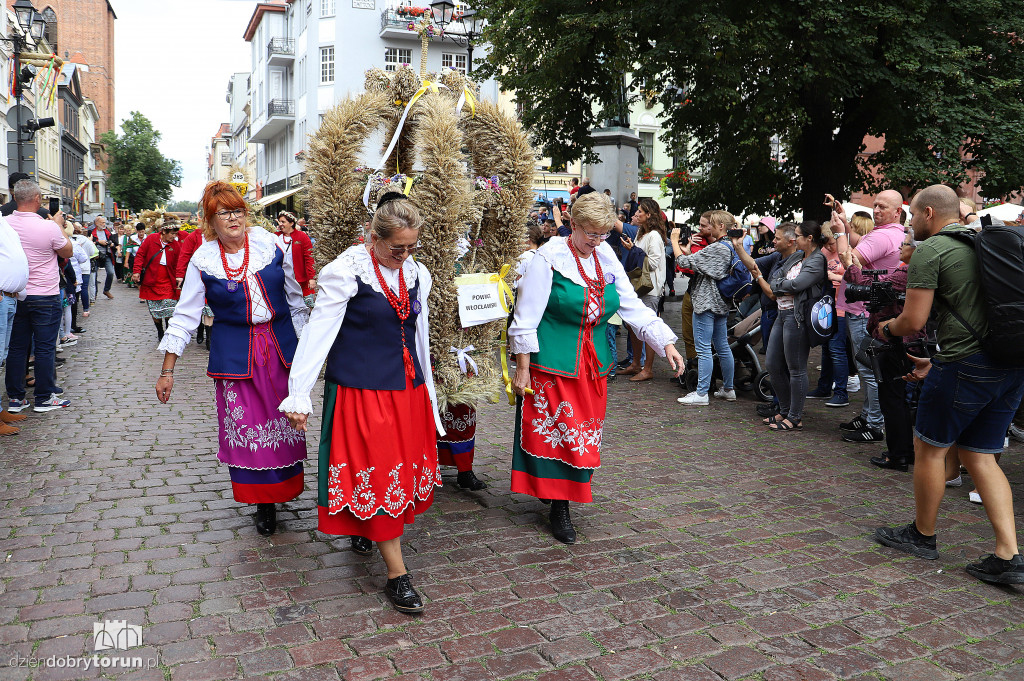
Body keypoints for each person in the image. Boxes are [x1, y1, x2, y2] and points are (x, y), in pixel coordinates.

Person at [279, 194, 442, 614]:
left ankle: (366, 528)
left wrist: (429, 390)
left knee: (395, 476)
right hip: (363, 392)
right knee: (381, 473)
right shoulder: (344, 272)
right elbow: (319, 332)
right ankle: (397, 575)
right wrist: (299, 394)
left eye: (411, 247)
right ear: (373, 237)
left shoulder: (417, 273)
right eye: (396, 248)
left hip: (406, 392)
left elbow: (419, 335)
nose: (404, 256)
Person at [509, 192, 683, 544]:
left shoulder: (605, 254)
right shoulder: (549, 257)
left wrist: (664, 341)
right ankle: (560, 506)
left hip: (592, 364)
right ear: (572, 225)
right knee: (557, 435)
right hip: (552, 363)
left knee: (583, 434)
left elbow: (631, 304)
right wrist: (523, 368)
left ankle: (558, 494)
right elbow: (526, 317)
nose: (597, 241)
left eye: (603, 234)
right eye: (590, 233)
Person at [875, 184, 1024, 585]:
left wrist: (886, 327)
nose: (909, 226)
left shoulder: (933, 250)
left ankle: (922, 535)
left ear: (928, 213)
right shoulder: (988, 242)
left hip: (964, 366)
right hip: (1010, 364)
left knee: (929, 450)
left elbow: (913, 321)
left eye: (911, 216)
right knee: (980, 457)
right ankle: (1009, 557)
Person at [156, 181, 309, 538]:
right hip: (236, 355)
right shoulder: (204, 259)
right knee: (248, 429)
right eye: (224, 212)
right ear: (210, 221)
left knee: (283, 422)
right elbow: (185, 315)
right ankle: (263, 502)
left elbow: (295, 299)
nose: (234, 218)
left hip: (278, 348)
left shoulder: (270, 244)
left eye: (238, 210)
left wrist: (309, 351)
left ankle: (281, 492)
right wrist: (168, 369)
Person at [736, 222, 827, 431]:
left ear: (809, 238)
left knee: (796, 368)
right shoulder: (797, 257)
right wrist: (778, 285)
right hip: (782, 313)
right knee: (773, 364)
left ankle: (795, 416)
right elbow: (777, 276)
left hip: (797, 317)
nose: (795, 239)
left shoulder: (817, 259)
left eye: (798, 235)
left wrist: (775, 286)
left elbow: (796, 285)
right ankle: (784, 410)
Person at [830, 191, 906, 443]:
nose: (876, 210)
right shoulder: (894, 234)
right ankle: (868, 415)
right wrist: (845, 222)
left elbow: (848, 262)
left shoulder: (882, 234)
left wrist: (840, 233)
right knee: (868, 368)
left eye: (883, 207)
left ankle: (874, 424)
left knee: (868, 369)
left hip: (865, 309)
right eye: (875, 205)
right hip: (873, 308)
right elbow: (861, 248)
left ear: (898, 211)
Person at [843, 229, 922, 466]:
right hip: (905, 340)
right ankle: (905, 451)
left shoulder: (906, 272)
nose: (900, 247)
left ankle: (897, 454)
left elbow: (869, 285)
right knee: (898, 399)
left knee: (892, 399)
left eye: (905, 244)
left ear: (916, 249)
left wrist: (850, 265)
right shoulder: (910, 270)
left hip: (896, 341)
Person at [3, 180, 73, 413]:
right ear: (37, 199)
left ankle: (15, 398)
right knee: (43, 348)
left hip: (17, 293)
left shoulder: (4, 224)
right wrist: (57, 223)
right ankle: (44, 397)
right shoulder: (48, 226)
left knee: (16, 347)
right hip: (44, 294)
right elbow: (67, 251)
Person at [670, 210, 737, 406]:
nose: (708, 228)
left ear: (721, 227)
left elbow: (683, 262)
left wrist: (675, 241)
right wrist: (690, 250)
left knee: (703, 349)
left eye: (712, 224)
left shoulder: (718, 248)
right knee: (723, 347)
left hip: (707, 301)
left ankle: (701, 393)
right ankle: (729, 388)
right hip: (721, 302)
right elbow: (702, 265)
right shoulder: (731, 246)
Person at [618, 198, 668, 382]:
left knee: (647, 328)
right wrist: (632, 249)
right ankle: (636, 363)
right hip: (639, 288)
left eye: (640, 212)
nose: (636, 214)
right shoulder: (641, 233)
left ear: (649, 215)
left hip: (650, 289)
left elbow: (653, 262)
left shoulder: (654, 235)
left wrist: (634, 251)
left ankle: (648, 369)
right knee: (633, 325)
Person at [805, 224, 849, 408]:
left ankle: (841, 392)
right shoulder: (824, 251)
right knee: (826, 347)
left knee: (837, 349)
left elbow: (854, 276)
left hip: (842, 306)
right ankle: (824, 387)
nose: (830, 248)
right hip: (826, 305)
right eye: (827, 244)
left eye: (832, 243)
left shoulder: (846, 250)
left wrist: (831, 275)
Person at [0, 213, 29, 434]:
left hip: (10, 297)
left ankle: (0, 410)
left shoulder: (3, 222)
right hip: (3, 296)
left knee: (3, 355)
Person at [134, 219, 181, 340]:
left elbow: (179, 263)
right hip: (151, 280)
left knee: (169, 308)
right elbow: (140, 255)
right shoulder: (151, 239)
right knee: (156, 310)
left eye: (176, 234)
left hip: (168, 281)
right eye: (172, 234)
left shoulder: (175, 245)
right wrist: (136, 271)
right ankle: (160, 330)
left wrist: (180, 277)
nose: (174, 237)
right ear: (164, 232)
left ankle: (168, 332)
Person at [275, 210, 317, 308]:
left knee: (305, 306)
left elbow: (309, 258)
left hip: (299, 280)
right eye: (280, 222)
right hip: (281, 280)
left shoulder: (302, 237)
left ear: (291, 223)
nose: (280, 224)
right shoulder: (275, 236)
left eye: (283, 222)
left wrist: (311, 278)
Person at [70, 223, 96, 322]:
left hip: (73, 268)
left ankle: (74, 309)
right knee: (84, 288)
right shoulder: (85, 240)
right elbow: (92, 252)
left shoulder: (68, 239)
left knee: (74, 290)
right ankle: (85, 309)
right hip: (84, 267)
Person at [91, 216, 117, 299]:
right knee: (94, 275)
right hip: (96, 256)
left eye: (104, 222)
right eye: (102, 222)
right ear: (96, 223)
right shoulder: (91, 232)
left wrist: (111, 244)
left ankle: (106, 290)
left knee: (111, 272)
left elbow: (114, 242)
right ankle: (94, 293)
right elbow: (89, 243)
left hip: (106, 254)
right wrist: (99, 242)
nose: (104, 224)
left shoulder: (108, 232)